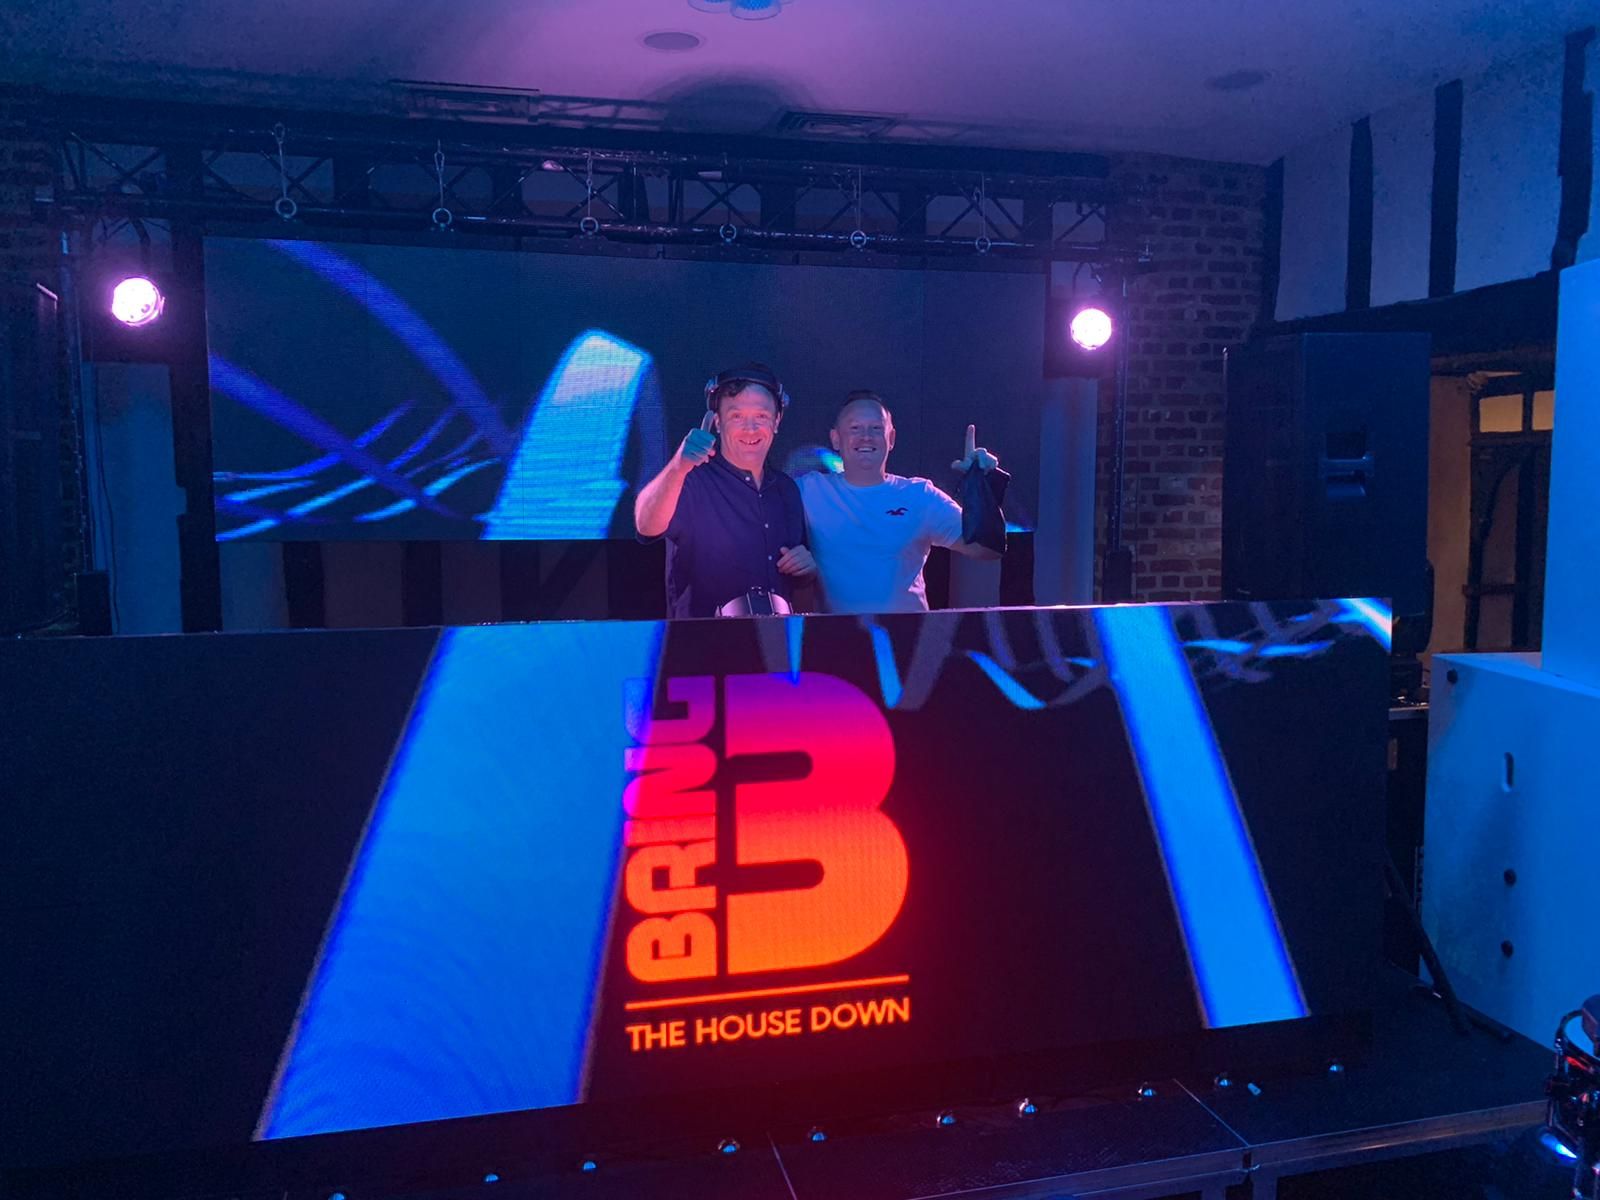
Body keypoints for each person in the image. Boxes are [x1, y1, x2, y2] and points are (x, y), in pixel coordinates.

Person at [634, 365, 817, 618]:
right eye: (736, 416)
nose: (750, 428)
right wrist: (678, 466)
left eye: (761, 416)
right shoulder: (690, 479)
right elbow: (645, 526)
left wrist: (806, 570)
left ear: (776, 421)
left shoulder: (786, 490)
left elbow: (797, 582)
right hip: (705, 638)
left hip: (776, 637)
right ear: (718, 423)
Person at [798, 391, 1005, 614]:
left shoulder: (919, 495)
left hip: (909, 633)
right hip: (836, 634)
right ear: (836, 439)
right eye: (855, 428)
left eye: (876, 428)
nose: (866, 437)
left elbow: (985, 549)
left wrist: (982, 484)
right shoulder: (809, 490)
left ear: (891, 438)